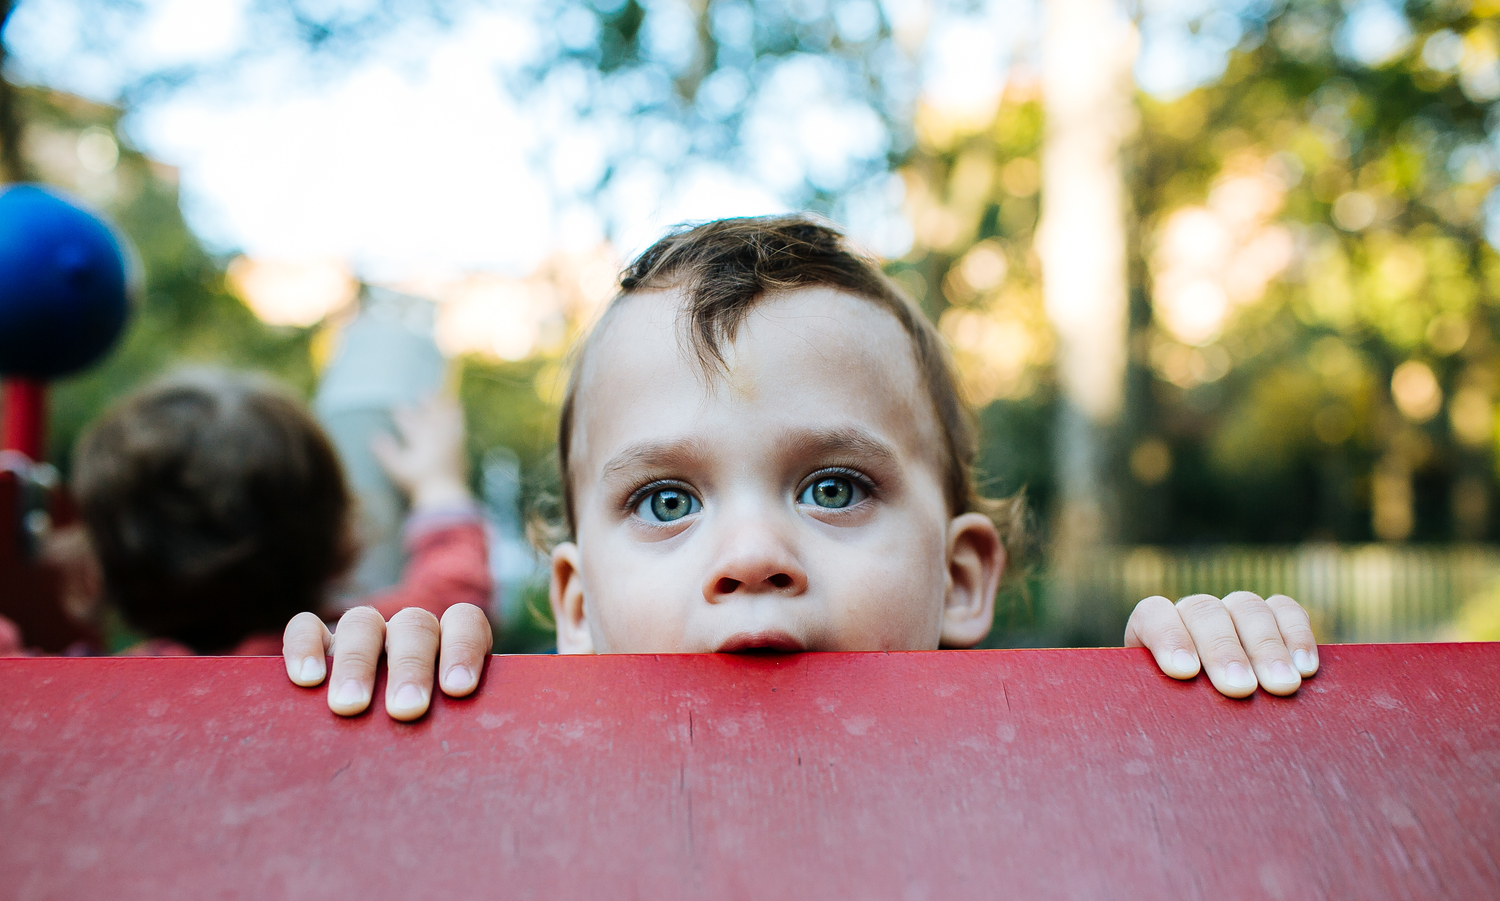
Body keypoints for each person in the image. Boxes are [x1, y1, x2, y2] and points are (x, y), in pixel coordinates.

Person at [282, 216, 1318, 721]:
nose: (751, 556)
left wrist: (1201, 701)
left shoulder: (1043, 796)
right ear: (577, 603)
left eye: (833, 488)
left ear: (959, 579)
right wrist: (388, 710)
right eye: (667, 499)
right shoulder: (521, 818)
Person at [69, 369, 490, 656]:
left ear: (103, 565)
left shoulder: (83, 698)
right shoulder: (362, 646)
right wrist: (439, 484)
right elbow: (454, 593)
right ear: (342, 535)